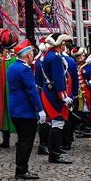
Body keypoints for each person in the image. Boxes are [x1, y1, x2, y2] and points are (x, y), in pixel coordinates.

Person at [6, 40, 42, 180]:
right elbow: (31, 91)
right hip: (25, 111)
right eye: (32, 53)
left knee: (22, 140)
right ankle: (21, 169)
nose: (33, 56)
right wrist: (40, 109)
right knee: (26, 141)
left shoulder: (13, 67)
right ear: (27, 55)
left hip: (16, 109)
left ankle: (21, 168)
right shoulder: (24, 69)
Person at [36, 33, 73, 165]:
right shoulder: (55, 57)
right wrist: (64, 97)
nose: (65, 46)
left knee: (54, 123)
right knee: (57, 122)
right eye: (63, 43)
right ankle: (54, 153)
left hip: (49, 92)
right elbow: (59, 79)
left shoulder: (48, 55)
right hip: (54, 95)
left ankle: (53, 151)